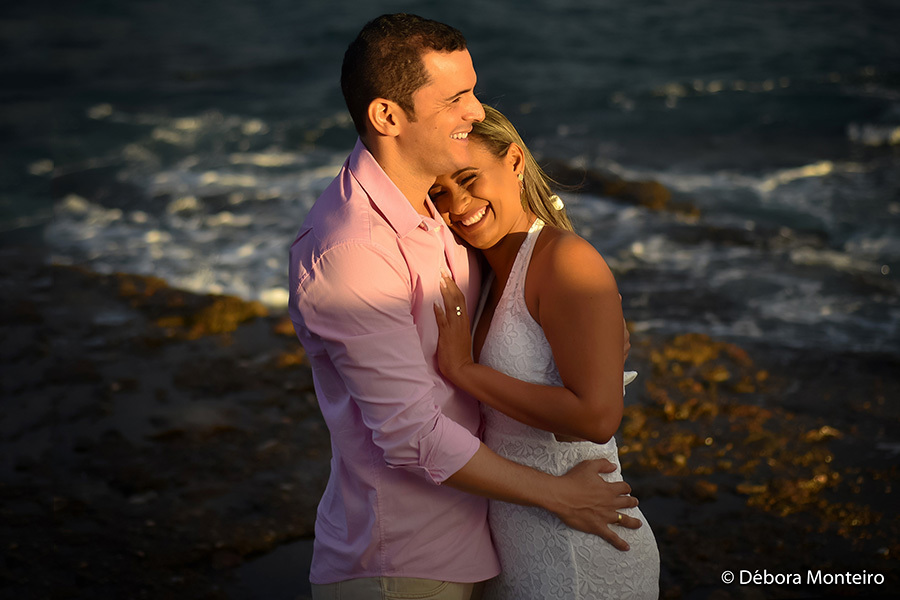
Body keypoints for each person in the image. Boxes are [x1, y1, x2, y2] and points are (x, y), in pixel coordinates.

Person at [289, 14, 641, 600]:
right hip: (400, 563)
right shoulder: (354, 252)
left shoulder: (434, 213)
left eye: (471, 91)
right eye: (455, 97)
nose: (475, 111)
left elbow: (526, 305)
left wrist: (590, 325)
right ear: (388, 117)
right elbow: (410, 436)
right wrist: (558, 494)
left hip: (486, 544)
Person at [430, 104, 660, 599]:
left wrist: (464, 371)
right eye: (438, 193)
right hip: (516, 542)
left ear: (514, 161)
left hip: (582, 547)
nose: (458, 204)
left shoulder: (566, 260)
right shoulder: (486, 272)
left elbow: (598, 417)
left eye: (469, 178)